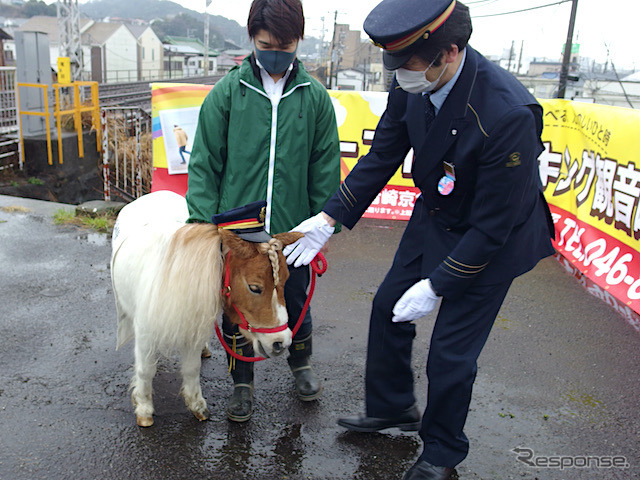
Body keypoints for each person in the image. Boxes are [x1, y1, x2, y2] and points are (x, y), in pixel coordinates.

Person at [283, 1, 555, 478]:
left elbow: (493, 227)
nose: (399, 75)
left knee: (451, 352)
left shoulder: (507, 113)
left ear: (449, 52)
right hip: (436, 214)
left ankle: (441, 454)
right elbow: (382, 154)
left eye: (407, 64)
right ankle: (391, 406)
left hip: (494, 240)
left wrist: (437, 286)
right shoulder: (415, 81)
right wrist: (329, 218)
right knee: (388, 303)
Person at [185, 0, 341, 422]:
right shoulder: (228, 94)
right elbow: (204, 163)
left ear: (299, 41)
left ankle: (301, 365)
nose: (275, 52)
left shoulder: (315, 99)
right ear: (252, 38)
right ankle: (241, 384)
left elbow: (325, 167)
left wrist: (320, 228)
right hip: (240, 231)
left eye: (285, 44)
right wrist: (204, 226)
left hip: (293, 233)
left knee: (294, 297)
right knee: (240, 306)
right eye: (266, 43)